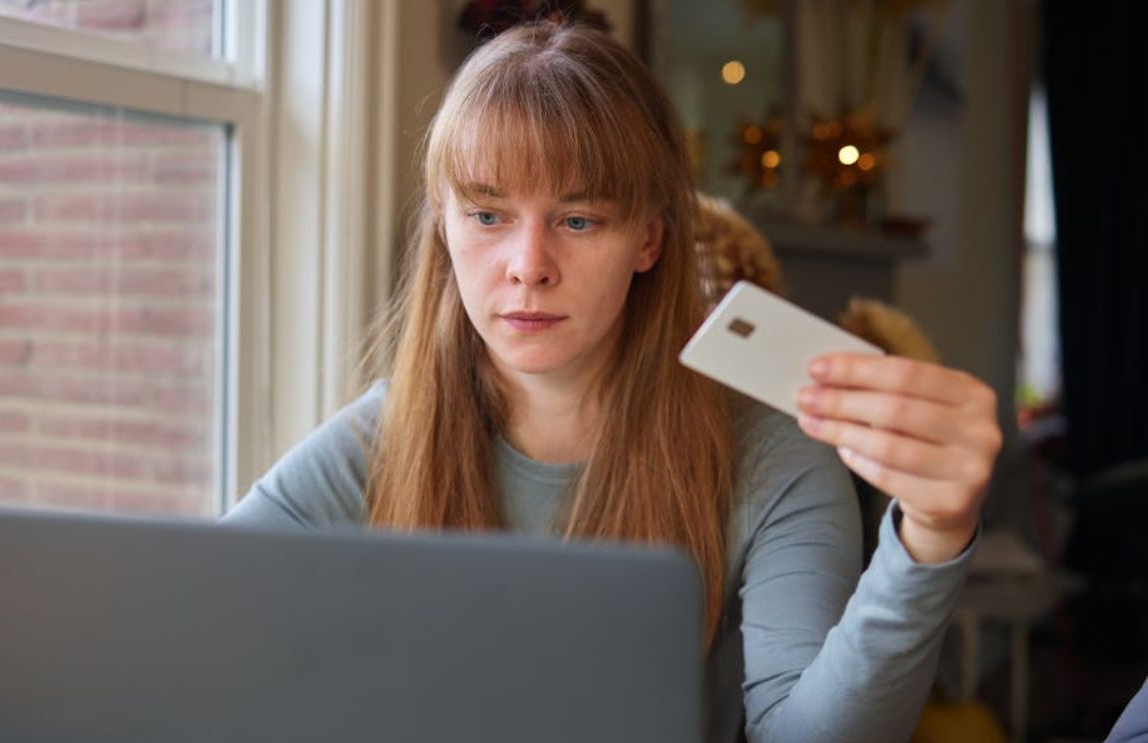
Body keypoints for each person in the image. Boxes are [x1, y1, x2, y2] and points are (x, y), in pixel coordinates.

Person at [222, 21, 1002, 742]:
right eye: (488, 216)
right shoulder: (385, 435)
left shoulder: (773, 458)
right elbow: (198, 610)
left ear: (649, 240)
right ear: (443, 225)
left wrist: (929, 538)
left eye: (578, 219)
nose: (527, 264)